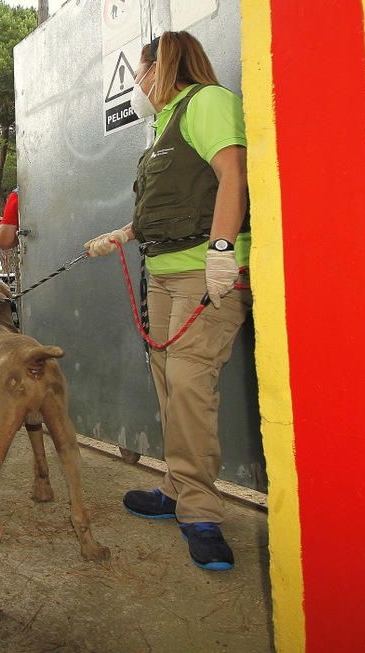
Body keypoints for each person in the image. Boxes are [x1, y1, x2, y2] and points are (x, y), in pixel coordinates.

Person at [83, 31, 252, 571]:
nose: (138, 83)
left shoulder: (208, 103)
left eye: (141, 71)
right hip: (161, 274)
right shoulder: (164, 124)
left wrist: (223, 252)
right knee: (167, 382)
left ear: (164, 64)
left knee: (188, 384)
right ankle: (177, 489)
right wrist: (124, 234)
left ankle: (200, 511)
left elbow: (234, 176)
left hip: (206, 274)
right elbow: (171, 200)